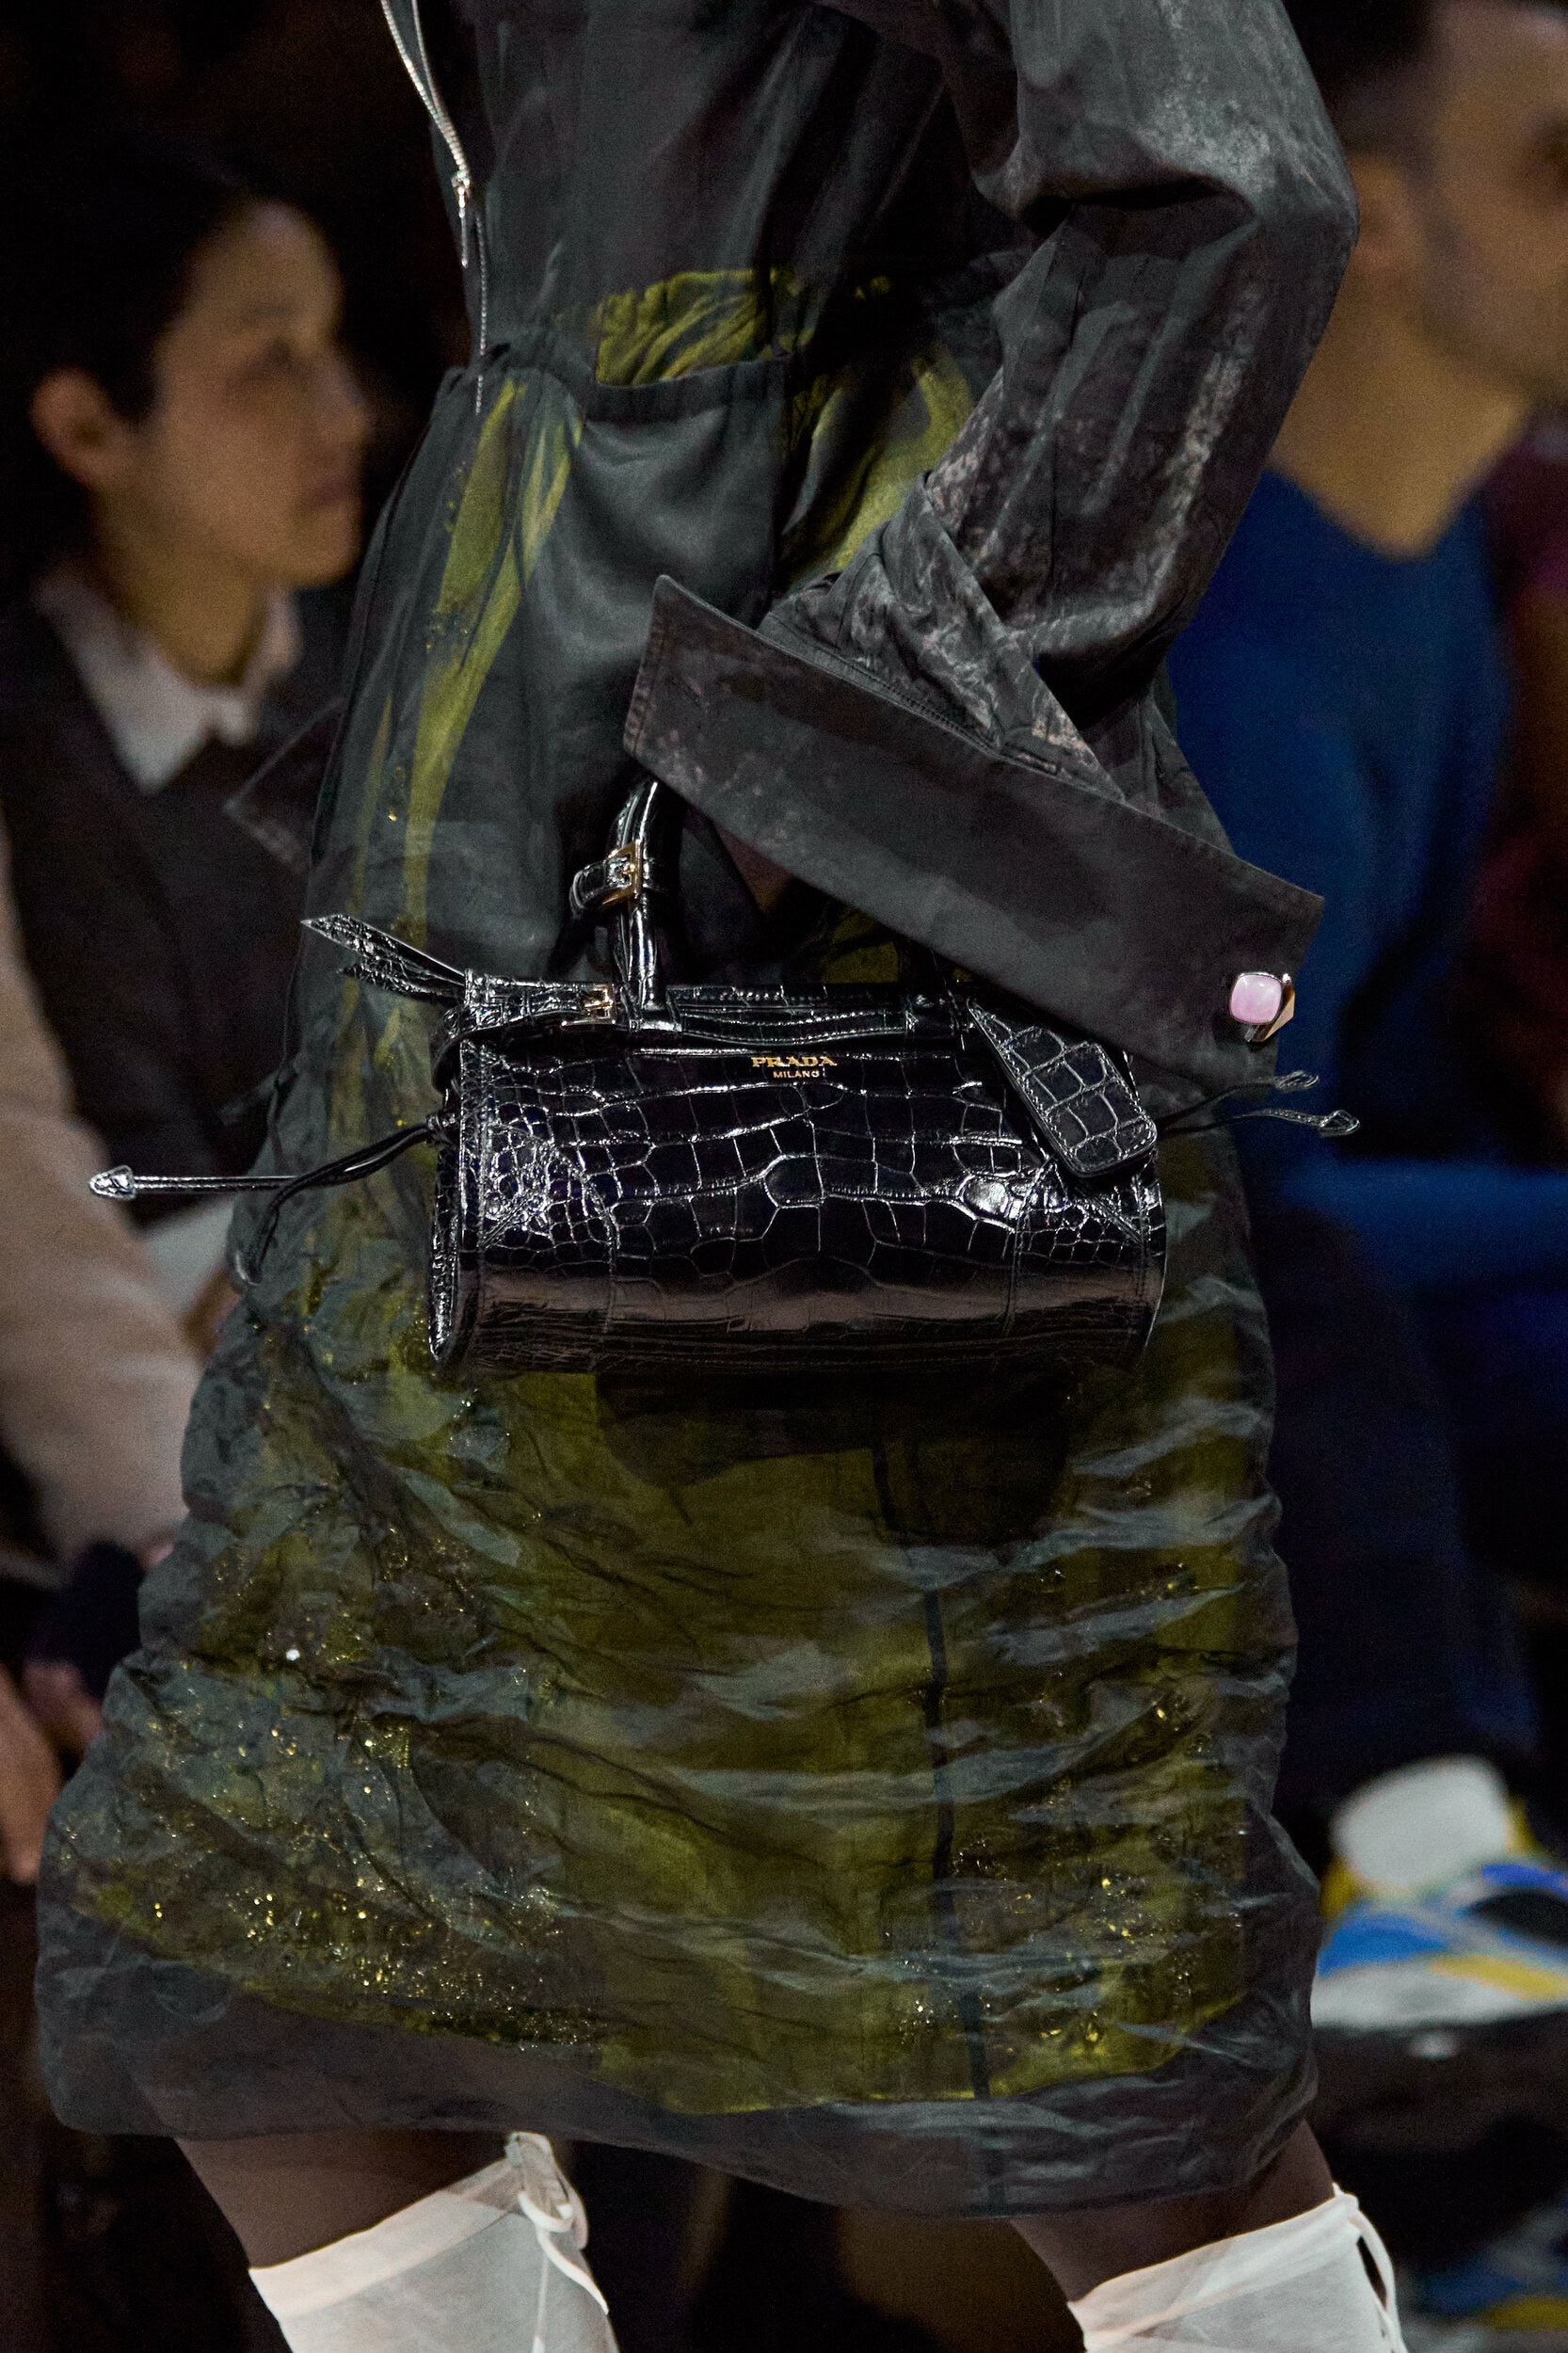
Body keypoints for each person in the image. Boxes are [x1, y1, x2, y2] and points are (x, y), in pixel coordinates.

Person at [32, 8, 1402, 2349]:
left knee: (1023, 1929)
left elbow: (1223, 186)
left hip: (750, 869)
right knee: (275, 1947)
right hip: (539, 822)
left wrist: (821, 758)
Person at [1166, 0, 1568, 2325]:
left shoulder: (1432, 568)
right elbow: (1252, 1196)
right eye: (1557, 170)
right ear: (1379, 221)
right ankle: (1475, 2197)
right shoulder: (1220, 633)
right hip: (1211, 1336)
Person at [0, 132, 369, 1335]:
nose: (345, 414)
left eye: (329, 345)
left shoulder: (373, 642)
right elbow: (155, 1246)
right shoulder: (41, 781)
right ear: (90, 429)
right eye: (269, 363)